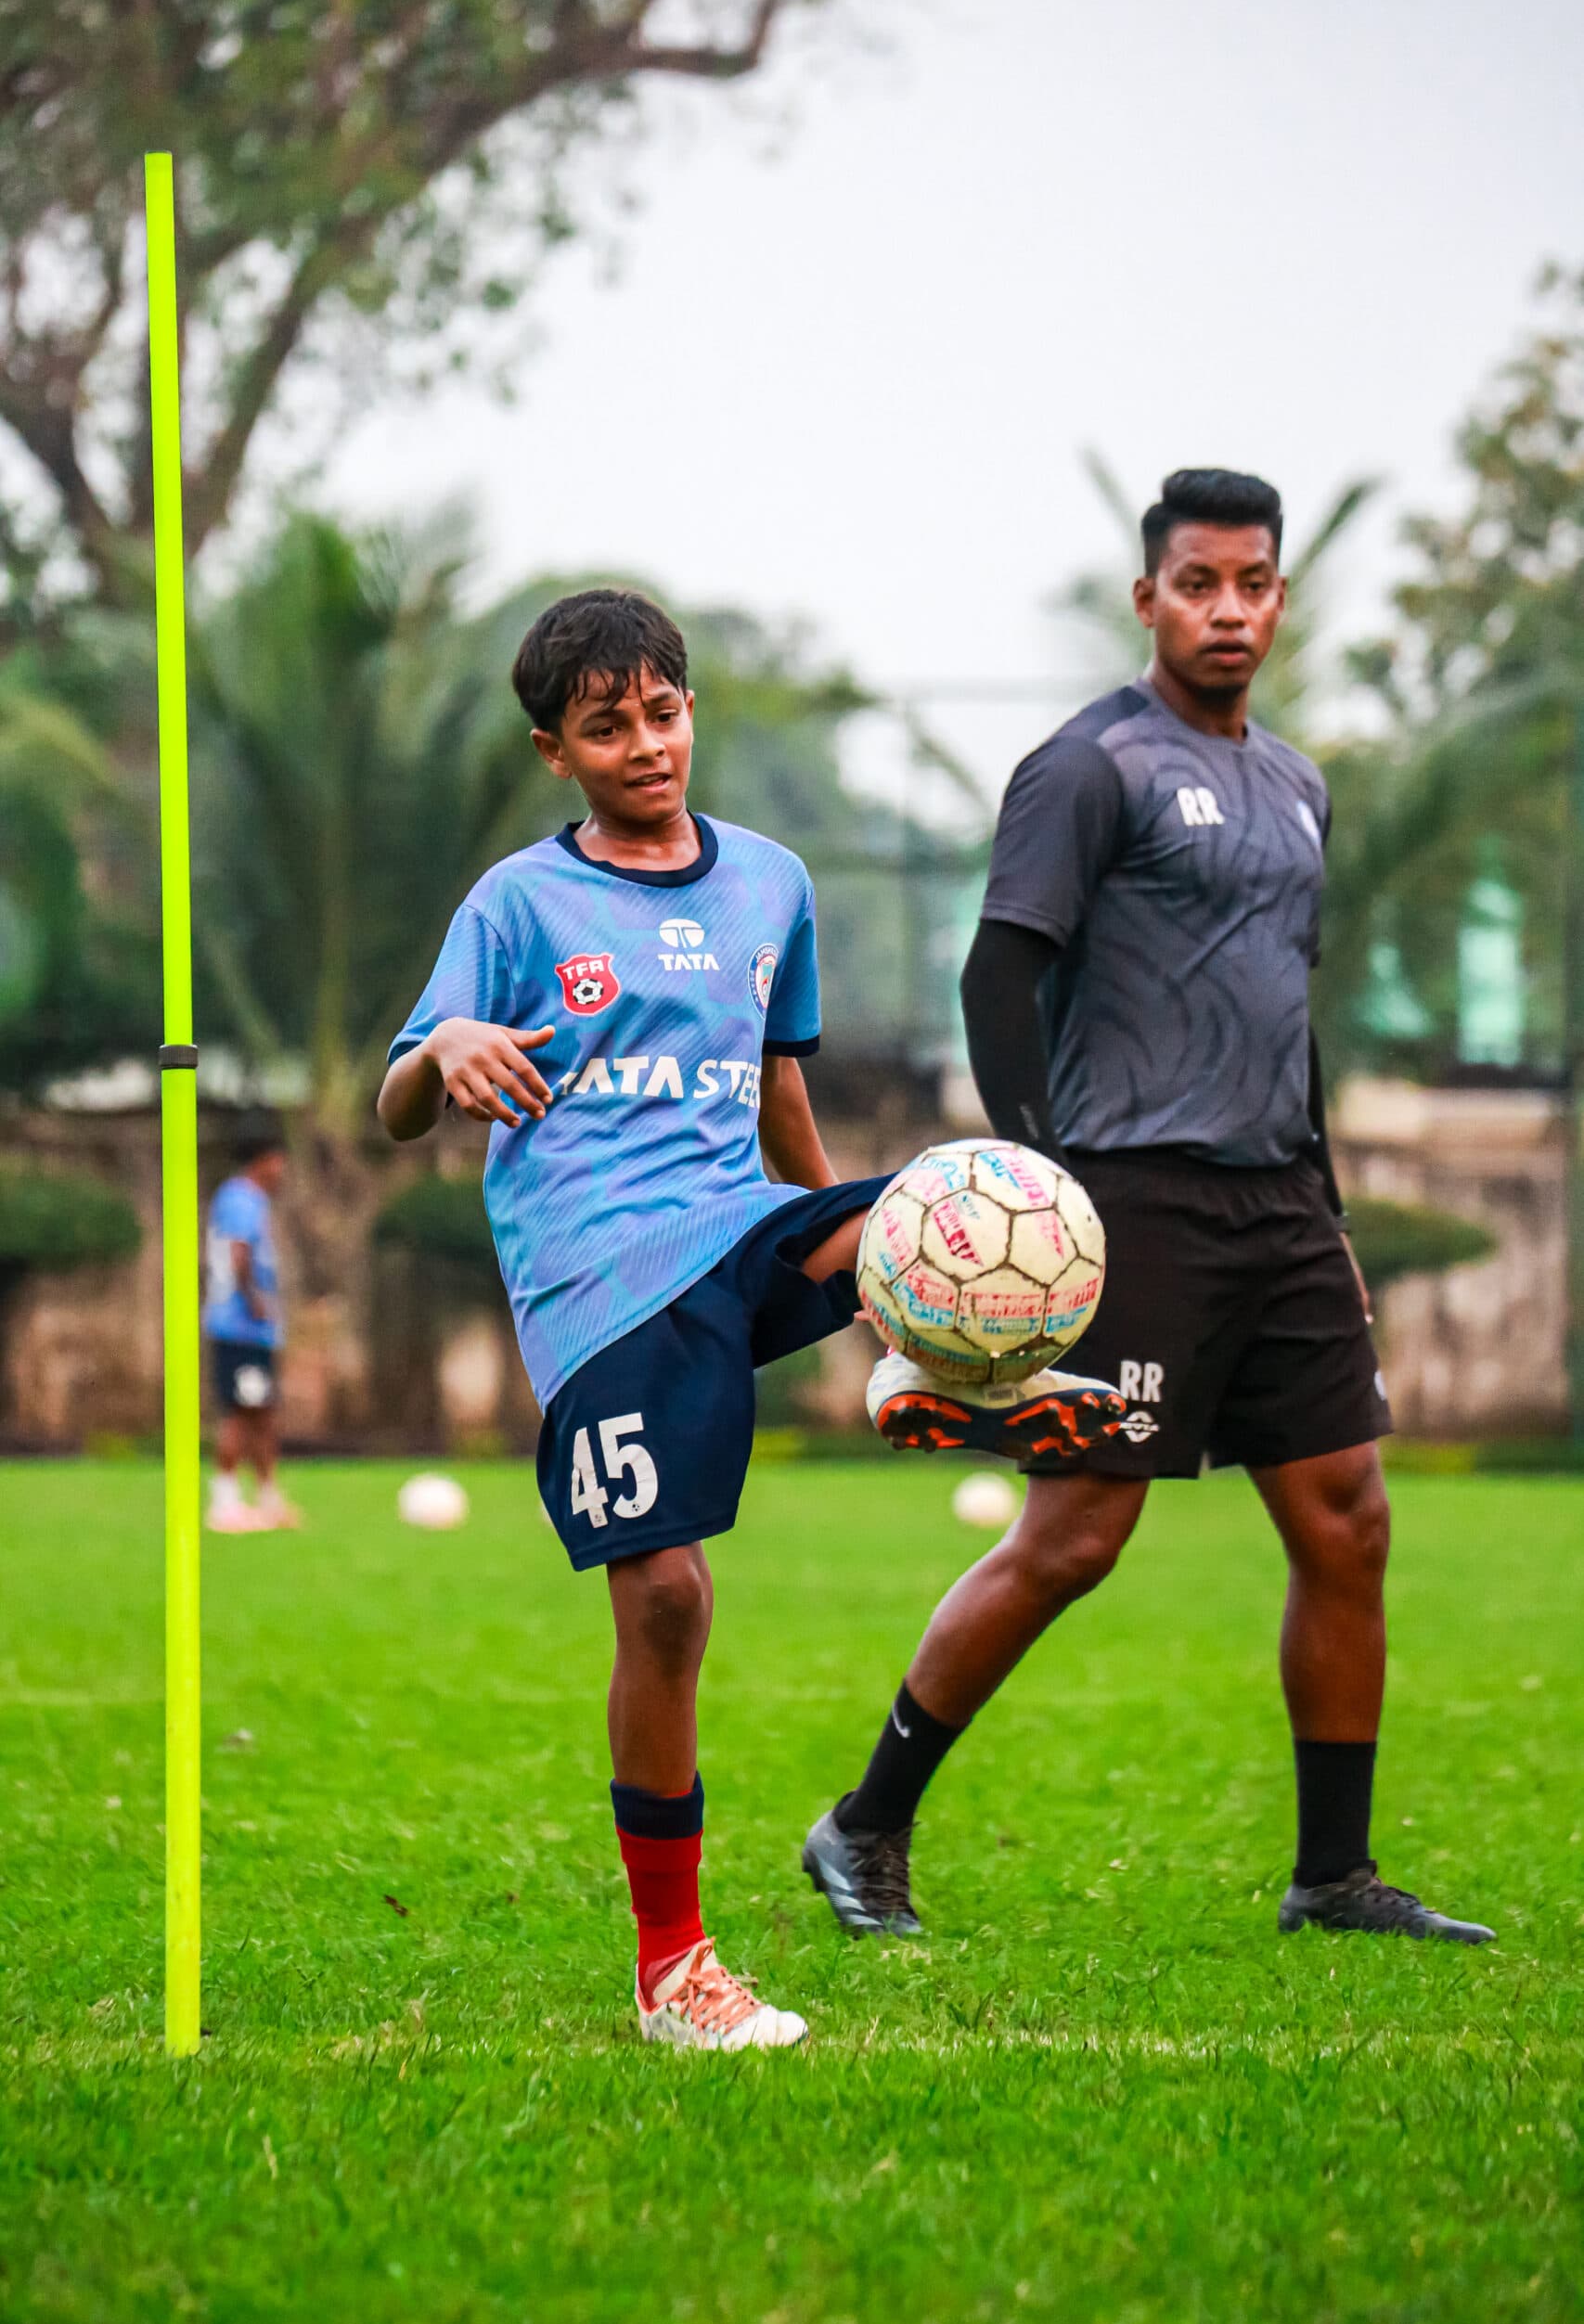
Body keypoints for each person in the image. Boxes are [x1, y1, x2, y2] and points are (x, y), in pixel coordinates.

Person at [378, 588, 1120, 2050]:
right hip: (596, 1280)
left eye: (662, 713)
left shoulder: (770, 883)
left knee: (944, 1191)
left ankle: (941, 1370)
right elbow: (398, 1102)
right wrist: (443, 1044)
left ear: (688, 710)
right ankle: (672, 1972)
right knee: (666, 1600)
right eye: (607, 728)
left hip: (736, 1225)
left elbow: (780, 1092)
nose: (646, 745)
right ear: (555, 752)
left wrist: (872, 1262)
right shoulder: (515, 906)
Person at [803, 469, 1494, 1947]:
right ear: (1148, 598)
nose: (1224, 610)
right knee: (1074, 1537)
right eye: (1197, 584)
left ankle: (1332, 1875)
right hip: (1131, 1202)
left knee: (1346, 1521)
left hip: (1279, 1205)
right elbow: (997, 975)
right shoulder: (1087, 766)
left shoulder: (1297, 786)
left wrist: (1325, 1211)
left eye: (1250, 584)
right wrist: (1039, 1183)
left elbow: (1279, 1014)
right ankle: (861, 1824)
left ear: (1278, 599)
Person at [202, 1111, 300, 1534]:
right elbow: (238, 1253)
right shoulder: (240, 1198)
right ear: (263, 1160)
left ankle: (267, 1497)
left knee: (263, 1413)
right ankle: (224, 1502)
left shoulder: (251, 1199)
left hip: (254, 1331)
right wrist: (255, 1301)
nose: (282, 1170)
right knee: (241, 1412)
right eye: (279, 1161)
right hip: (238, 1327)